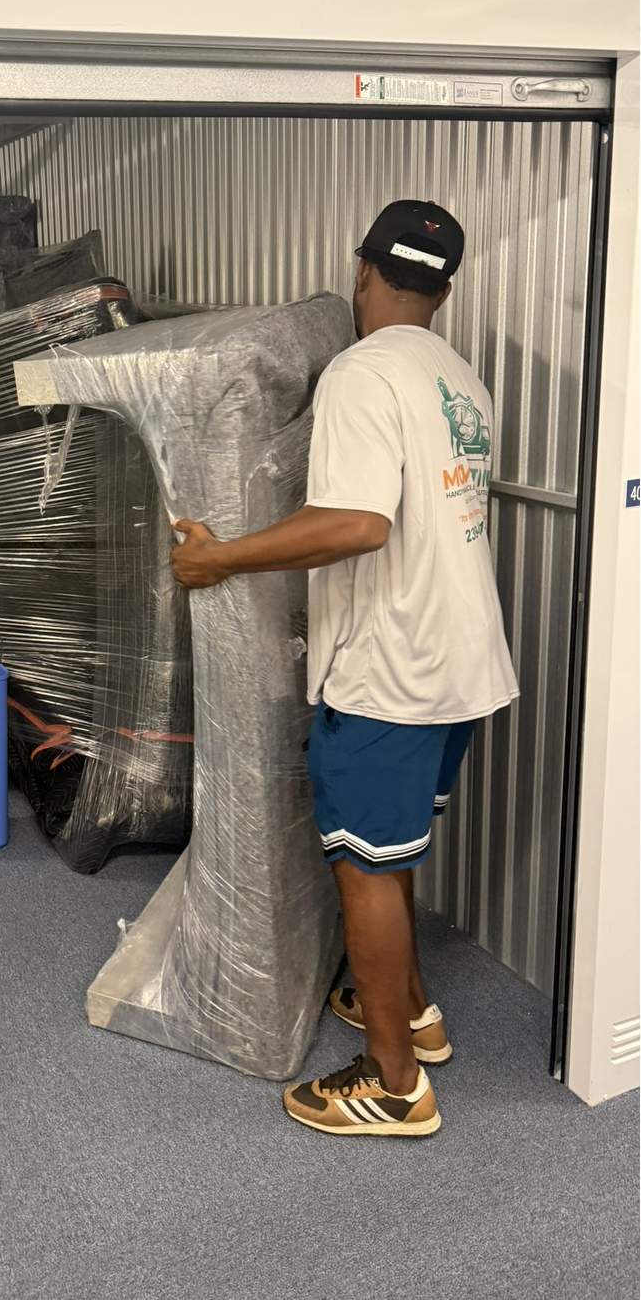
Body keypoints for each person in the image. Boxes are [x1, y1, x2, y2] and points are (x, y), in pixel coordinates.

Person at [171, 199, 518, 1138]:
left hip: (392, 669)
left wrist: (220, 556)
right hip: (463, 661)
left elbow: (357, 523)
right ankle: (407, 1011)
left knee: (363, 868)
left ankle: (395, 1083)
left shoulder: (361, 374)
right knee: (393, 852)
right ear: (444, 289)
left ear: (363, 272)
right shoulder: (462, 380)